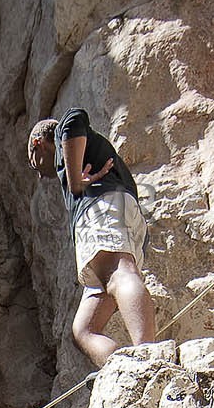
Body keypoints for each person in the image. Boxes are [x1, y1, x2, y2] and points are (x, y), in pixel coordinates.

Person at [27, 108, 157, 369]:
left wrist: (75, 182)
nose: (41, 175)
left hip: (102, 208)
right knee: (83, 329)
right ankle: (124, 370)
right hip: (112, 215)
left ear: (37, 144)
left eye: (35, 161)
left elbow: (74, 118)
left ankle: (149, 357)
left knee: (120, 272)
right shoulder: (74, 159)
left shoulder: (66, 128)